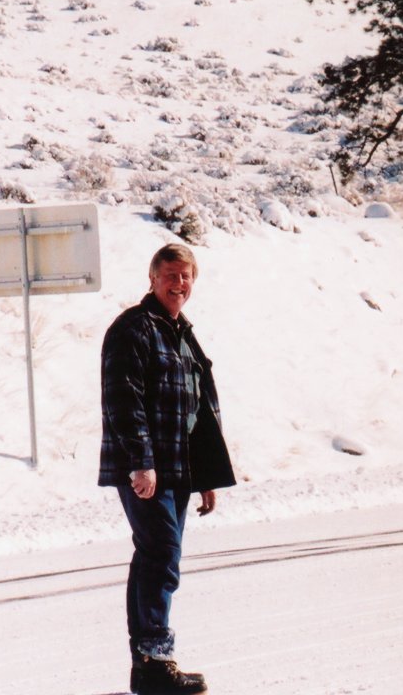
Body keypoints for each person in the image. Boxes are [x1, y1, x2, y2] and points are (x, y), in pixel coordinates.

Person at [99, 243, 235, 695]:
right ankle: (155, 660)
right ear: (153, 277)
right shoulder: (133, 329)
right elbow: (123, 400)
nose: (179, 284)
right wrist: (141, 462)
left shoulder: (180, 332)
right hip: (148, 468)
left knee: (157, 555)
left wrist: (207, 477)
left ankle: (149, 664)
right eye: (171, 275)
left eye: (186, 277)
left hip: (177, 468)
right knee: (161, 554)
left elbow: (198, 408)